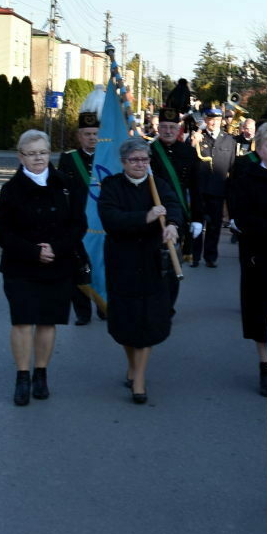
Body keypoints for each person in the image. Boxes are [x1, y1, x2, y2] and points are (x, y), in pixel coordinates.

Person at [0, 129, 87, 407]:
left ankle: (41, 374)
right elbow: (1, 232)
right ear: (20, 157)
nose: (38, 158)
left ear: (49, 153)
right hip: (20, 267)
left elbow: (78, 225)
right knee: (22, 321)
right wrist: (34, 252)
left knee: (47, 321)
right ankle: (22, 377)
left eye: (43, 152)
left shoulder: (66, 184)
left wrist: (56, 249)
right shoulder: (10, 190)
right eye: (32, 154)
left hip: (57, 264)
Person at [98, 138, 182, 404]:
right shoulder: (111, 186)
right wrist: (145, 217)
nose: (140, 164)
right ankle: (132, 365)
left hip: (151, 263)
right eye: (134, 160)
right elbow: (111, 219)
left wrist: (173, 225)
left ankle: (140, 379)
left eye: (144, 160)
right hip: (122, 262)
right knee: (126, 321)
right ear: (123, 162)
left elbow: (174, 206)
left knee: (147, 320)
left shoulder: (159, 185)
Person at [226, 121, 267, 397]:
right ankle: (266, 367)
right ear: (260, 149)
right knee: (262, 311)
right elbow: (242, 216)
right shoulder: (249, 177)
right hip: (260, 254)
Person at [57, 110, 103, 326]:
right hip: (77, 222)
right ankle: (82, 311)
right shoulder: (68, 158)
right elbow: (61, 190)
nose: (92, 138)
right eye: (87, 134)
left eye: (95, 134)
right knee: (78, 266)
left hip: (102, 223)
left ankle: (103, 305)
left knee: (101, 266)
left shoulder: (107, 157)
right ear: (79, 136)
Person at [151, 106, 203, 274]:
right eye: (164, 127)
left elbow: (196, 187)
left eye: (172, 127)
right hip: (153, 212)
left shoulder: (189, 152)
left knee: (173, 264)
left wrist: (197, 218)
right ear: (158, 129)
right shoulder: (148, 151)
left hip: (179, 213)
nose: (168, 131)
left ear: (178, 129)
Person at [195, 107, 234, 267]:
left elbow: (232, 166)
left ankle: (210, 257)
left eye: (217, 120)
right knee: (196, 224)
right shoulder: (198, 138)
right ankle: (194, 256)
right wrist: (194, 139)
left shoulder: (229, 140)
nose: (214, 123)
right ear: (205, 121)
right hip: (200, 189)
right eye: (211, 120)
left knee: (214, 226)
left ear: (221, 121)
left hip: (218, 190)